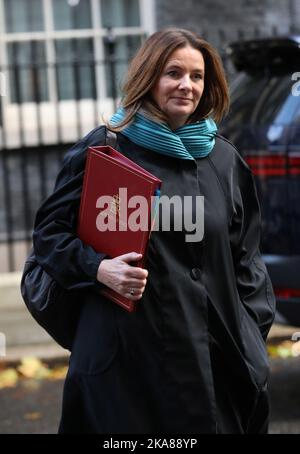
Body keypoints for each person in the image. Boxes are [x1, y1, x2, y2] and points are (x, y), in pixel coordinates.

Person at [32, 28, 276, 434]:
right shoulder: (107, 148)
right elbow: (49, 237)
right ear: (148, 77)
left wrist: (250, 336)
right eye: (173, 73)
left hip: (215, 367)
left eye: (197, 76)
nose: (187, 85)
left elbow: (247, 261)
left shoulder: (225, 160)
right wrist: (98, 269)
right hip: (126, 368)